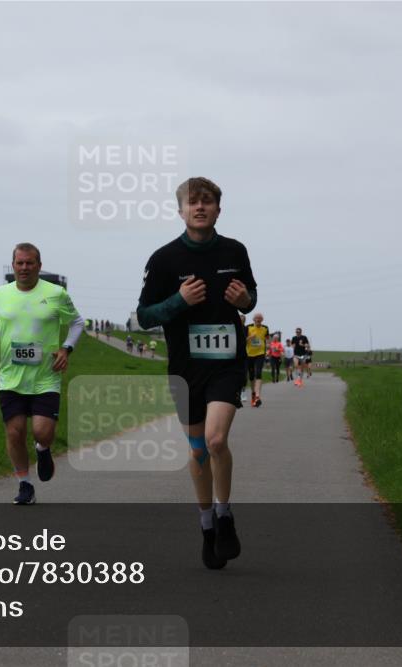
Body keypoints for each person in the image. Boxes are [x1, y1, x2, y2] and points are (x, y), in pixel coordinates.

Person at [136, 177, 257, 570]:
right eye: (192, 202)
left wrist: (245, 301)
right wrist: (179, 300)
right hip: (185, 369)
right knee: (198, 450)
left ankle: (224, 515)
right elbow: (144, 316)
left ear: (218, 209)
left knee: (216, 440)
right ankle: (206, 524)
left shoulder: (235, 251)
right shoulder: (163, 259)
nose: (200, 207)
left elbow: (251, 296)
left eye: (207, 201)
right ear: (180, 210)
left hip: (226, 364)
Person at [0, 243, 84, 505]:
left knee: (42, 432)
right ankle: (25, 484)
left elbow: (77, 322)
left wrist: (66, 349)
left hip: (46, 377)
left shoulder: (55, 293)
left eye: (29, 263)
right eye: (19, 263)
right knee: (15, 432)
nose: (24, 268)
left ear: (39, 266)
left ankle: (43, 448)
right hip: (10, 378)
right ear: (13, 265)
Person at [245, 313, 269, 407]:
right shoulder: (248, 327)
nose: (258, 320)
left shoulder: (265, 328)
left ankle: (258, 396)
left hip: (260, 353)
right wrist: (250, 337)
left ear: (262, 320)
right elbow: (243, 340)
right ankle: (253, 394)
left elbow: (267, 339)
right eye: (257, 318)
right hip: (249, 354)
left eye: (260, 318)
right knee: (251, 376)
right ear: (253, 319)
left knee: (258, 373)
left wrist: (268, 349)